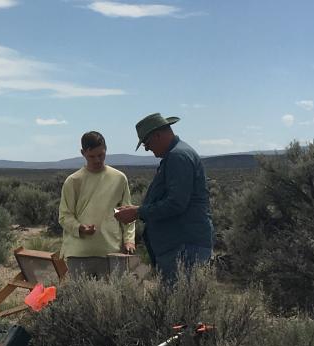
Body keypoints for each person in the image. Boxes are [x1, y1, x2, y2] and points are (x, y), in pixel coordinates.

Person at [113, 113, 214, 286]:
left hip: (183, 247)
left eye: (147, 143)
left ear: (158, 135)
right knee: (180, 305)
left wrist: (138, 212)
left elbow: (176, 203)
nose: (147, 149)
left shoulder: (178, 157)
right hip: (182, 245)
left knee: (180, 306)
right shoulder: (176, 155)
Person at [59, 131, 136, 278]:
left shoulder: (119, 179)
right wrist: (79, 228)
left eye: (101, 155)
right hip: (78, 254)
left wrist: (129, 241)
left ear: (106, 150)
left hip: (111, 252)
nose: (97, 160)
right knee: (81, 298)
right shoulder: (73, 181)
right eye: (92, 156)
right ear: (83, 153)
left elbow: (127, 213)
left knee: (112, 299)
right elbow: (64, 216)